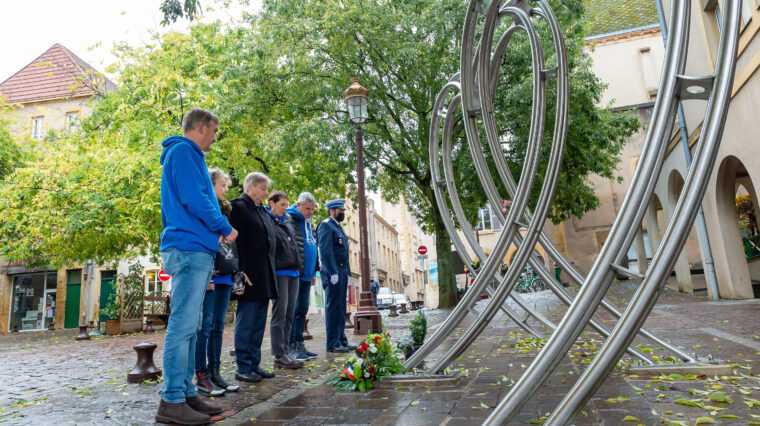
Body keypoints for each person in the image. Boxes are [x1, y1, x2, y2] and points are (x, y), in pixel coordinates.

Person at [157, 108, 237, 425]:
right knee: (183, 325)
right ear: (201, 127)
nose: (215, 138)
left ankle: (186, 393)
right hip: (188, 248)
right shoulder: (184, 152)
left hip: (195, 247)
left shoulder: (188, 155)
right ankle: (171, 400)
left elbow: (196, 198)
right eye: (214, 131)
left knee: (192, 326)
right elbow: (196, 198)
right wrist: (223, 226)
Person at [194, 168, 247, 397]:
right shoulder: (205, 209)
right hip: (211, 275)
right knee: (204, 327)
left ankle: (215, 373)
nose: (226, 189)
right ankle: (201, 375)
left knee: (217, 327)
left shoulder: (224, 211)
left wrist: (236, 273)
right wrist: (208, 276)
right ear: (210, 184)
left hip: (225, 275)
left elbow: (230, 245)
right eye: (222, 185)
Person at [228, 172, 277, 383]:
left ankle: (254, 363)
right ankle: (243, 366)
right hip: (247, 274)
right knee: (246, 320)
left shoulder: (260, 210)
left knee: (258, 323)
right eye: (263, 188)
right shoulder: (238, 207)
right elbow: (235, 243)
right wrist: (239, 270)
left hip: (263, 273)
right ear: (250, 187)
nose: (266, 193)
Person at [266, 191, 304, 369]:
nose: (284, 208)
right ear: (271, 203)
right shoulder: (267, 220)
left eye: (286, 205)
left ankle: (286, 350)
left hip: (293, 272)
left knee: (290, 314)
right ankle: (278, 354)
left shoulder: (287, 221)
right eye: (282, 204)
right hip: (279, 272)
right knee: (279, 313)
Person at [318, 199, 356, 353]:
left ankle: (341, 340)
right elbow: (325, 251)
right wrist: (332, 272)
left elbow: (344, 253)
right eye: (340, 211)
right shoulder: (326, 225)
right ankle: (333, 343)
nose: (342, 213)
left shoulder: (338, 227)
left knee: (341, 308)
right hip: (333, 271)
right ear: (331, 211)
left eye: (343, 211)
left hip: (342, 271)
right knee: (333, 307)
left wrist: (347, 273)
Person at [286, 192, 320, 361]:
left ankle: (300, 343)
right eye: (307, 209)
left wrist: (313, 272)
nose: (310, 212)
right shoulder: (290, 219)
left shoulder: (309, 223)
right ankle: (291, 345)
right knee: (293, 310)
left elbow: (314, 247)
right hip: (296, 273)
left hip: (307, 274)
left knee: (302, 310)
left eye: (312, 209)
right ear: (298, 205)